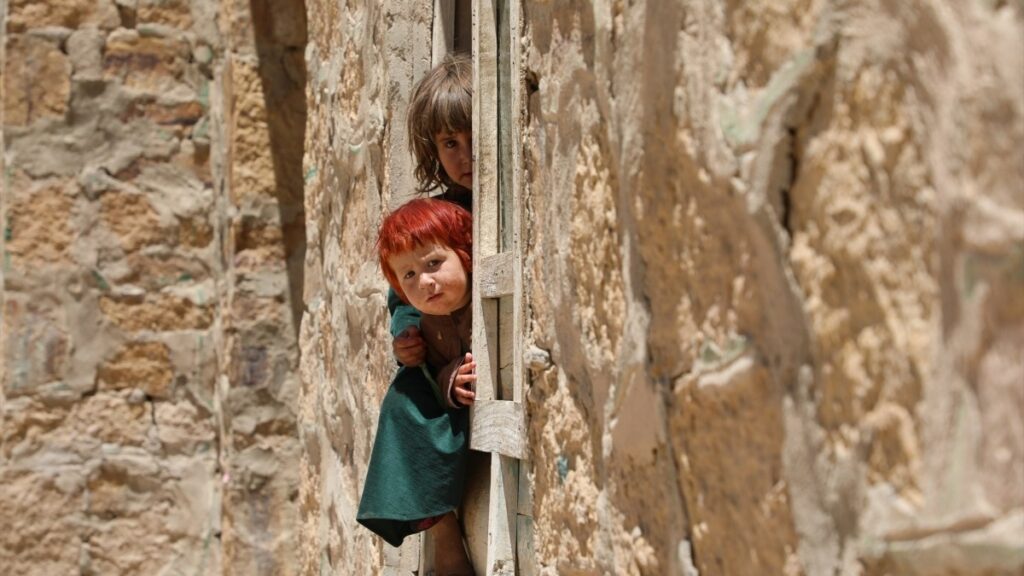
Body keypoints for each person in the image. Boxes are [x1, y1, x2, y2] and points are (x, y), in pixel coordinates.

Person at [357, 199, 476, 575]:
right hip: (443, 403)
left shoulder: (480, 308)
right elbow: (431, 366)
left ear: (467, 255)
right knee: (403, 399)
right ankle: (443, 531)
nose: (424, 282)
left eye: (433, 264)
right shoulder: (425, 322)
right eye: (408, 276)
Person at [391, 52, 473, 366]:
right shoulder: (435, 219)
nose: (466, 155)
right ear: (434, 150)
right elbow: (402, 298)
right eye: (450, 143)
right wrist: (407, 334)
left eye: (474, 137)